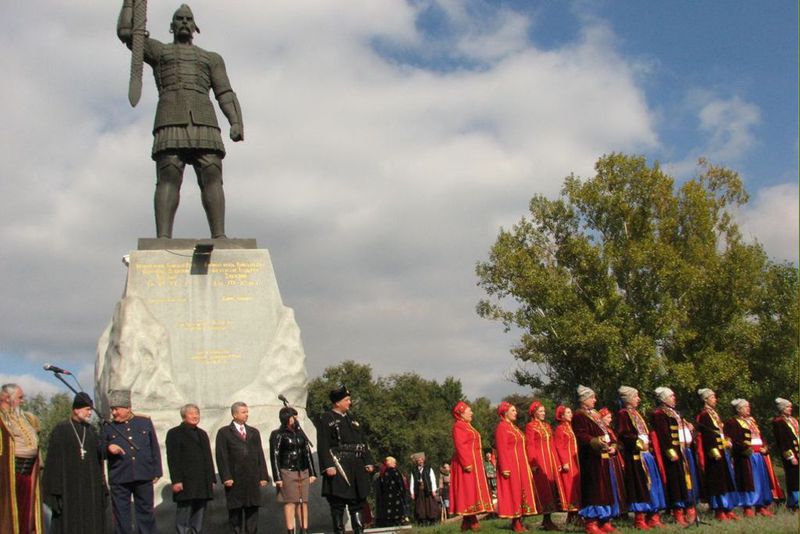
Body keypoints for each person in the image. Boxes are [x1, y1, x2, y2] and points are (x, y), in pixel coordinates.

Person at [116, 2, 244, 239]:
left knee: (212, 174)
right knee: (168, 176)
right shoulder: (159, 52)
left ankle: (219, 236)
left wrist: (235, 121)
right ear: (171, 26)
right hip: (170, 118)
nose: (184, 22)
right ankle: (163, 238)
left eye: (188, 19)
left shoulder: (211, 58)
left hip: (205, 120)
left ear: (195, 27)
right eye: (179, 19)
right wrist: (129, 4)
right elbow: (126, 34)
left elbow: (224, 92)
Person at [42, 392, 107, 534]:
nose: (90, 413)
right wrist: (54, 493)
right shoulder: (61, 430)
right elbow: (53, 463)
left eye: (91, 410)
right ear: (76, 409)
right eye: (87, 409)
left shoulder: (91, 432)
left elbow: (100, 458)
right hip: (69, 491)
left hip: (90, 491)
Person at [316, 385, 374, 534]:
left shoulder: (352, 419)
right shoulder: (326, 418)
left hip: (356, 465)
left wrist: (368, 460)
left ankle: (359, 530)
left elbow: (362, 442)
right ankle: (339, 531)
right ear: (337, 402)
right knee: (338, 504)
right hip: (339, 465)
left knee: (357, 502)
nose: (350, 402)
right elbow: (323, 445)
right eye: (347, 400)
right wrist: (328, 465)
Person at [103, 389, 162, 534]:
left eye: (117, 409)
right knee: (122, 517)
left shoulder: (144, 422)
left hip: (143, 475)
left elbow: (154, 447)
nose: (114, 413)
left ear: (128, 408)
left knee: (146, 514)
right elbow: (100, 450)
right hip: (120, 478)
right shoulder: (107, 426)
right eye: (112, 409)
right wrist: (108, 447)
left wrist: (156, 472)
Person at [615, 386, 666, 530]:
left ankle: (653, 515)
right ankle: (640, 518)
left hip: (646, 455)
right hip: (636, 456)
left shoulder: (636, 413)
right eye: (636, 396)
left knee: (652, 484)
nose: (639, 399)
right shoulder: (623, 414)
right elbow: (624, 434)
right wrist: (638, 443)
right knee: (640, 485)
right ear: (629, 399)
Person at [215, 401, 270, 534]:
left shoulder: (253, 432)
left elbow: (259, 454)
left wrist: (263, 475)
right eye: (243, 412)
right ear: (234, 414)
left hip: (252, 478)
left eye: (247, 412)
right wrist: (226, 477)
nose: (246, 414)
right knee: (235, 514)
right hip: (235, 479)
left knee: (252, 512)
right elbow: (221, 456)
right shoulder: (224, 432)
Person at [572, 385, 619, 534]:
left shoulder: (596, 415)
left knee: (605, 490)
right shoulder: (579, 416)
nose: (595, 400)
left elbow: (607, 433)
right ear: (584, 400)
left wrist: (613, 445)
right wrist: (597, 441)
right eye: (592, 397)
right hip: (590, 459)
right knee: (594, 490)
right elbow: (581, 435)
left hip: (603, 458)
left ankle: (604, 521)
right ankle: (591, 523)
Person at [725, 398, 780, 517]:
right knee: (748, 482)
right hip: (745, 457)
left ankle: (761, 507)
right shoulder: (733, 422)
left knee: (761, 481)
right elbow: (734, 440)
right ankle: (748, 507)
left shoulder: (752, 421)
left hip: (759, 455)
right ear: (739, 410)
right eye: (745, 407)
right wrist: (745, 449)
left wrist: (765, 447)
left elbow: (760, 436)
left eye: (748, 407)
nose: (748, 409)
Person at [166, 404, 216, 534]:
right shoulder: (174, 433)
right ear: (184, 416)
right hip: (186, 482)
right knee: (184, 512)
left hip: (202, 482)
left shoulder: (202, 433)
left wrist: (211, 478)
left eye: (197, 413)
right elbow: (173, 458)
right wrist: (176, 480)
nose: (195, 416)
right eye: (192, 413)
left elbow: (208, 457)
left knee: (200, 512)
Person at [649, 386, 695, 526]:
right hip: (671, 453)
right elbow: (663, 435)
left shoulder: (674, 413)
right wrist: (670, 451)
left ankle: (687, 509)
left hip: (681, 450)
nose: (674, 398)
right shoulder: (660, 414)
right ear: (664, 399)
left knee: (684, 481)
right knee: (675, 482)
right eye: (671, 396)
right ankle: (677, 512)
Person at [0, 383, 43, 533]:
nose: (23, 401)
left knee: (27, 515)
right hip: (8, 474)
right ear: (6, 398)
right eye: (20, 397)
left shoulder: (28, 418)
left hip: (28, 473)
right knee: (8, 516)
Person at [269, 405, 317, 534]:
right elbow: (275, 455)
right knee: (290, 502)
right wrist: (277, 477)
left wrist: (312, 472)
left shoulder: (300, 433)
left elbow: (307, 452)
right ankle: (290, 530)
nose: (295, 419)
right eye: (293, 416)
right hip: (287, 471)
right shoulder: (278, 434)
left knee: (303, 502)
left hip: (303, 470)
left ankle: (304, 529)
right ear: (286, 418)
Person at [694, 388, 738, 521]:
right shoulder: (704, 415)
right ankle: (719, 509)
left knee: (726, 479)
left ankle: (728, 508)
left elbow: (719, 432)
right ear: (706, 399)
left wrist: (726, 441)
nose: (715, 399)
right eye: (712, 397)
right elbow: (707, 435)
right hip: (714, 452)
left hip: (722, 450)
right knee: (717, 481)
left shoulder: (714, 413)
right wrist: (714, 450)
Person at [494, 401, 538, 532]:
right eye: (513, 410)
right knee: (514, 492)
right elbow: (501, 449)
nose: (516, 412)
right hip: (511, 465)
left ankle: (520, 520)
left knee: (521, 492)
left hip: (521, 465)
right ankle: (515, 522)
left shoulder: (514, 427)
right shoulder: (502, 427)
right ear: (505, 412)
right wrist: (505, 468)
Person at [449, 401, 493, 531]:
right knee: (468, 490)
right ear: (462, 413)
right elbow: (460, 446)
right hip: (466, 463)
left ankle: (467, 521)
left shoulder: (468, 426)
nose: (472, 412)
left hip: (475, 462)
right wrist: (466, 463)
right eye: (470, 410)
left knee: (473, 489)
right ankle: (471, 519)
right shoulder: (459, 426)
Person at [525, 401, 566, 531]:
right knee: (543, 490)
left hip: (550, 461)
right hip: (540, 461)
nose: (544, 413)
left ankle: (548, 520)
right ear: (535, 412)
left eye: (544, 411)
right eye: (541, 411)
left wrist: (557, 462)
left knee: (552, 488)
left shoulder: (547, 426)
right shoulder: (531, 426)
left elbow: (553, 445)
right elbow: (530, 445)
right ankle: (545, 519)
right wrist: (533, 463)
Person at [552, 406, 580, 524]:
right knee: (570, 487)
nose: (571, 414)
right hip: (568, 461)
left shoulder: (572, 428)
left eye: (571, 412)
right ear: (562, 416)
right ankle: (572, 514)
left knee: (577, 486)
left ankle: (576, 515)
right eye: (568, 412)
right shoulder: (560, 429)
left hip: (576, 461)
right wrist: (564, 462)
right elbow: (559, 446)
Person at [772, 397, 799, 511]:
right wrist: (790, 456)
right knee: (793, 478)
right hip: (791, 453)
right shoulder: (779, 422)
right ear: (782, 408)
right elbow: (783, 442)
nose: (790, 409)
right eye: (787, 407)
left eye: (790, 407)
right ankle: (794, 503)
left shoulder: (793, 420)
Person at [374, 456, 408, 527]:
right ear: (391, 463)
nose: (395, 464)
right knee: (397, 509)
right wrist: (402, 493)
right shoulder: (395, 471)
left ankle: (389, 522)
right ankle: (398, 521)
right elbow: (400, 483)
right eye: (394, 463)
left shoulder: (384, 473)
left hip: (386, 496)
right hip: (396, 495)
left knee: (389, 509)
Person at [409, 452, 440, 525]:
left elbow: (433, 479)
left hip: (428, 490)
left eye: (421, 460)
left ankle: (432, 520)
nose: (420, 461)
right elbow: (412, 481)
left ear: (423, 460)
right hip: (419, 490)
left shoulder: (429, 469)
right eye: (419, 460)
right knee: (420, 506)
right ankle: (422, 521)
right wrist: (412, 492)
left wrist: (433, 490)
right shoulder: (414, 470)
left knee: (430, 505)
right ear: (417, 461)